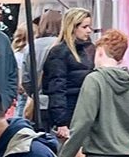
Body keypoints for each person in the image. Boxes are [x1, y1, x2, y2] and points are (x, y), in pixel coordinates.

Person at [40, 8, 94, 136]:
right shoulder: (59, 52)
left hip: (85, 109)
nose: (89, 30)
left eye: (89, 26)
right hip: (70, 111)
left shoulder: (89, 49)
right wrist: (61, 122)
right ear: (73, 27)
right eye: (85, 26)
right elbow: (57, 87)